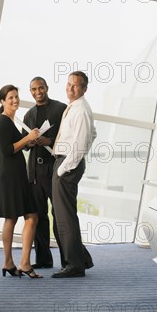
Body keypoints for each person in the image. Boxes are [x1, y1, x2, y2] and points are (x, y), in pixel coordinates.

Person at [0, 84, 43, 279]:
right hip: (11, 176)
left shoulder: (10, 121)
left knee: (18, 218)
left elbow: (16, 146)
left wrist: (29, 141)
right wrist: (27, 138)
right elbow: (6, 150)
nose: (15, 100)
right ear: (3, 101)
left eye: (16, 97)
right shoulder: (3, 122)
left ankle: (13, 262)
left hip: (16, 174)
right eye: (10, 97)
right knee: (26, 217)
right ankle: (21, 263)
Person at [51, 71, 97, 278]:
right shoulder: (75, 107)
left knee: (64, 217)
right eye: (68, 84)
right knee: (64, 215)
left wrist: (63, 168)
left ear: (85, 88)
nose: (70, 88)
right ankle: (81, 259)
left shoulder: (81, 110)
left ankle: (74, 266)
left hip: (67, 165)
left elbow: (79, 144)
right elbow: (92, 134)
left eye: (76, 85)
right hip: (64, 162)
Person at [23, 77, 67, 269]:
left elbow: (70, 135)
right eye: (34, 89)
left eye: (41, 88)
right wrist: (31, 142)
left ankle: (68, 260)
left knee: (59, 214)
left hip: (54, 167)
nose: (38, 91)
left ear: (46, 88)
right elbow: (24, 144)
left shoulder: (61, 109)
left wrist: (50, 141)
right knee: (38, 215)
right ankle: (43, 259)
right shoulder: (28, 115)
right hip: (34, 170)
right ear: (31, 91)